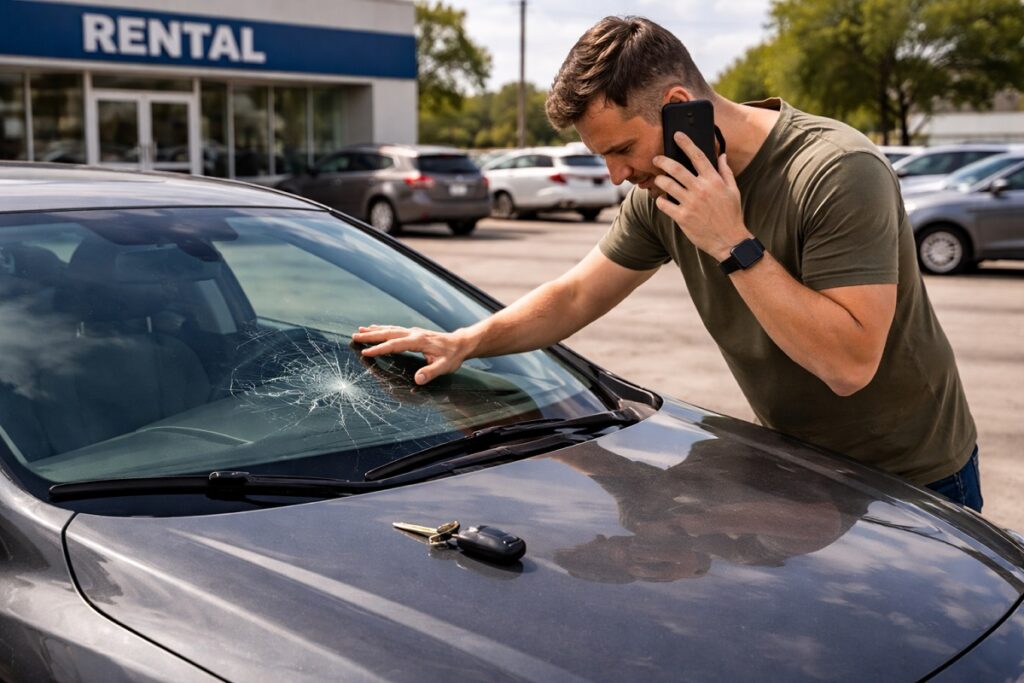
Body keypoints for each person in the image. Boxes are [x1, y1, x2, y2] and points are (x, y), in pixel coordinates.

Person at [353, 16, 981, 511]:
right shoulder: (662, 193)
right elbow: (576, 296)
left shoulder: (837, 171)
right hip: (801, 473)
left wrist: (731, 240)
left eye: (623, 148)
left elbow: (849, 364)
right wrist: (466, 341)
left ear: (681, 105)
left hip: (915, 485)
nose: (617, 175)